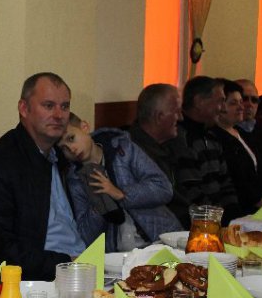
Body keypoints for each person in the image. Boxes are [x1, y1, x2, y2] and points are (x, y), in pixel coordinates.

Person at [0, 72, 86, 281]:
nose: (59, 115)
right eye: (48, 106)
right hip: (42, 280)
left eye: (64, 106)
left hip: (81, 265)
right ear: (24, 109)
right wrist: (68, 263)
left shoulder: (63, 156)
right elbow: (4, 253)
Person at [60, 115, 182, 252]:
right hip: (120, 255)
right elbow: (85, 237)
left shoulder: (123, 150)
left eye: (71, 138)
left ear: (85, 127)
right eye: (64, 148)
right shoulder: (75, 180)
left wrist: (120, 193)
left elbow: (164, 188)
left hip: (160, 242)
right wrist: (99, 206)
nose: (72, 149)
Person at [168, 75, 242, 224]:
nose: (222, 108)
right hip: (200, 223)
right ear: (199, 102)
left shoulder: (211, 136)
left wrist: (235, 218)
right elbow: (191, 191)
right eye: (220, 101)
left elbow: (226, 183)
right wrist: (222, 220)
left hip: (221, 219)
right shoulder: (182, 138)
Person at [128, 83, 191, 227]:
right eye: (177, 112)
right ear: (159, 117)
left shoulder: (172, 145)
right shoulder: (134, 154)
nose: (181, 118)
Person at [210, 80, 262, 212]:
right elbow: (236, 179)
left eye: (240, 102)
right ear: (219, 106)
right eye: (233, 103)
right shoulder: (217, 137)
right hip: (240, 208)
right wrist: (260, 203)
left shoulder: (242, 133)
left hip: (261, 204)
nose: (241, 107)